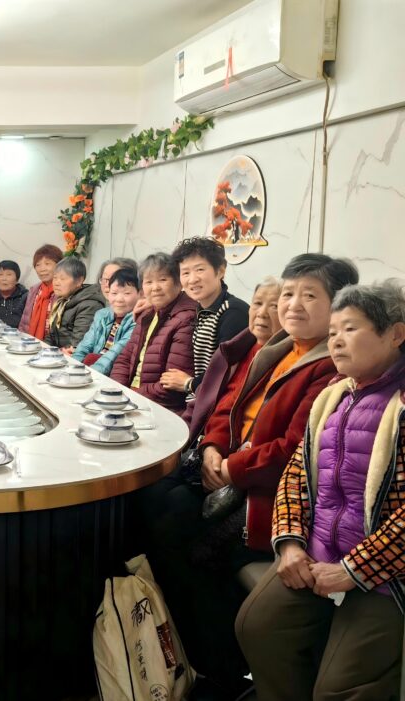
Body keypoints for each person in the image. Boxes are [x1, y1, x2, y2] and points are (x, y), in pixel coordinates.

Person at [141, 254, 357, 699]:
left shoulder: (330, 367)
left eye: (310, 296)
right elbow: (229, 405)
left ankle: (221, 667)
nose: (292, 305)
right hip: (230, 472)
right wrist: (213, 448)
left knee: (186, 542)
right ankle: (186, 650)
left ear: (338, 306)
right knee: (155, 504)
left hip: (270, 497)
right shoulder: (277, 349)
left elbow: (294, 449)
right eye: (289, 294)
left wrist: (231, 469)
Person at [237, 281, 405, 701]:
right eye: (332, 332)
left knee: (339, 688)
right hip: (317, 556)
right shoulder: (333, 396)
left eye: (350, 329)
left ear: (395, 334)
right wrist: (291, 544)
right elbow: (296, 475)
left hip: (387, 575)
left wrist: (355, 570)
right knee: (257, 627)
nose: (336, 341)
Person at [183, 277, 282, 447]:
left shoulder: (285, 360)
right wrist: (209, 444)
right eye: (257, 303)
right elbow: (213, 400)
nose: (261, 313)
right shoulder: (236, 349)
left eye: (274, 306)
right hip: (206, 437)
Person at [109, 253, 198, 414]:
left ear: (178, 282)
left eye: (162, 280)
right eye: (148, 282)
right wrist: (118, 391)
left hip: (159, 408)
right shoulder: (147, 313)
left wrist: (129, 396)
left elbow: (170, 387)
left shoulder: (186, 318)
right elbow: (124, 359)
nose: (155, 287)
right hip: (131, 398)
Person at [161, 237, 249, 397]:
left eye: (200, 269)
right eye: (185, 273)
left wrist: (189, 384)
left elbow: (226, 371)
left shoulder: (233, 312)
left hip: (214, 404)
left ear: (221, 271)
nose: (192, 279)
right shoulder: (202, 309)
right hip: (199, 400)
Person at [70, 267, 140, 374]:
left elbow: (116, 353)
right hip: (91, 367)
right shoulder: (101, 315)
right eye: (114, 293)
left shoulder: (137, 320)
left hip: (110, 372)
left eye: (127, 293)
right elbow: (85, 345)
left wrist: (91, 374)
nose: (119, 299)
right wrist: (72, 366)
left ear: (140, 294)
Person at [44, 258, 107, 350]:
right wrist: (42, 349)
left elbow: (77, 344)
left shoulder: (89, 305)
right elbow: (52, 336)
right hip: (58, 353)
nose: (56, 283)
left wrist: (53, 353)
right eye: (55, 278)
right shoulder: (62, 300)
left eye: (62, 278)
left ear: (79, 281)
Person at [18, 244, 64, 339]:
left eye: (47, 264)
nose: (42, 269)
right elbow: (24, 323)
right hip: (29, 343)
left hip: (53, 345)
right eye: (38, 265)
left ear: (59, 265)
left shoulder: (64, 291)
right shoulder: (33, 290)